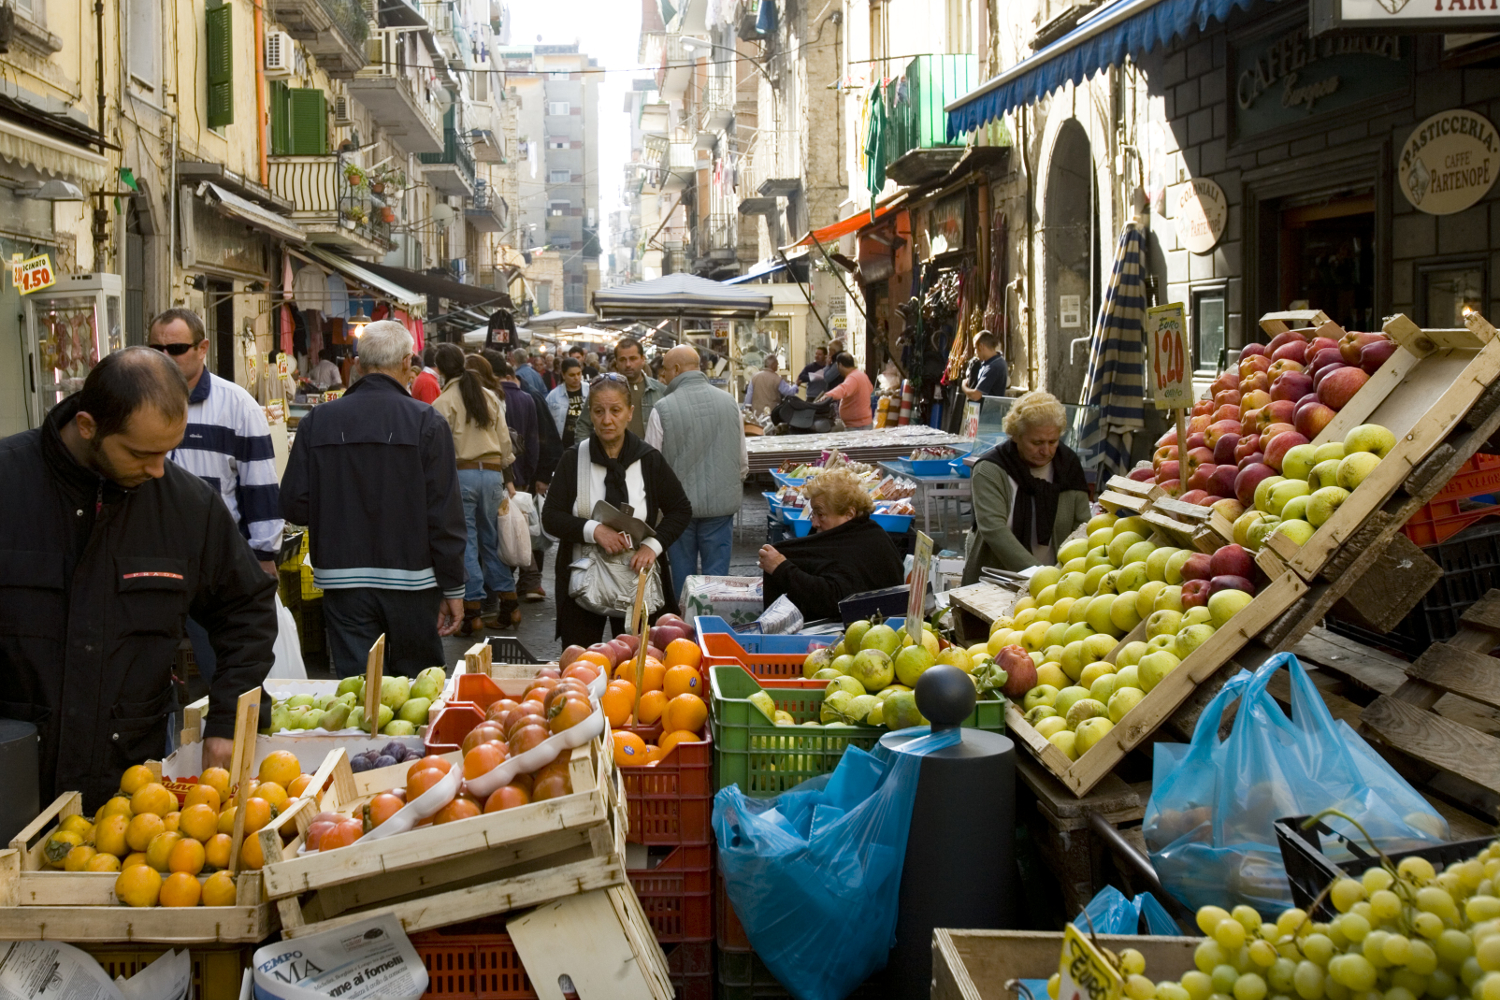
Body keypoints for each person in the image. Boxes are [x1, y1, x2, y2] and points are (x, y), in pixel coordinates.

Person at [0, 348, 276, 809]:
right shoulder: (8, 482)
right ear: (88, 427)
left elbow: (246, 611)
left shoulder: (187, 507)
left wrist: (229, 720)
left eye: (168, 452)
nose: (157, 470)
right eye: (141, 453)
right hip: (12, 783)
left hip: (127, 793)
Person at [281, 321, 467, 677]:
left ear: (357, 364)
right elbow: (444, 516)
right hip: (413, 581)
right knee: (418, 685)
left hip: (342, 580)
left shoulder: (317, 421)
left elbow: (294, 505)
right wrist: (454, 587)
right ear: (406, 363)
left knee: (358, 689)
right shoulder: (427, 422)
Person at [148, 307, 281, 688]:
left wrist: (264, 556)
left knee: (225, 671)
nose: (164, 357)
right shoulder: (137, 401)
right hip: (151, 560)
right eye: (156, 348)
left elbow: (260, 484)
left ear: (202, 348)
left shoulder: (236, 405)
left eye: (175, 348)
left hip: (214, 565)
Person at [543, 375, 693, 647]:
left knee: (641, 666)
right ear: (591, 414)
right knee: (581, 663)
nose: (607, 419)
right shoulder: (573, 459)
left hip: (638, 582)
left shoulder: (649, 460)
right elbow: (551, 516)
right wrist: (594, 530)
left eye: (615, 410)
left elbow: (681, 509)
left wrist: (653, 546)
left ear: (629, 413)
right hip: (583, 582)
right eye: (599, 411)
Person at [431, 343, 518, 635]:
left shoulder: (443, 402)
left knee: (466, 543)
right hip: (492, 474)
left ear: (440, 370)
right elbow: (504, 440)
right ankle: (509, 604)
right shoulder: (489, 396)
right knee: (491, 541)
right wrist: (505, 466)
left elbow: (437, 449)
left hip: (463, 476)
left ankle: (472, 612)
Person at [648, 345, 747, 599]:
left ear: (677, 369)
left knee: (684, 577)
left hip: (678, 511)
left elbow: (652, 465)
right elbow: (742, 460)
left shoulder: (662, 408)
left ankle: (685, 629)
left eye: (665, 371)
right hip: (720, 506)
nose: (663, 377)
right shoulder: (729, 403)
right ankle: (713, 627)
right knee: (717, 578)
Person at [961, 390, 1090, 583]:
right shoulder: (990, 469)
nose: (1046, 451)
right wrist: (1040, 576)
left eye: (1053, 441)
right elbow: (994, 529)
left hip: (1058, 582)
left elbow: (1082, 527)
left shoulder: (1068, 466)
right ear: (1016, 436)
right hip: (995, 582)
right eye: (1037, 442)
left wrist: (1064, 575)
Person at [757, 469, 903, 621]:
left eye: (821, 514)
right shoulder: (853, 535)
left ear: (849, 514)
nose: (814, 522)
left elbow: (833, 599)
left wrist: (781, 568)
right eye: (813, 513)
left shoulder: (865, 545)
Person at [575, 337, 663, 440]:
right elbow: (583, 425)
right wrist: (586, 453)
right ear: (616, 362)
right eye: (622, 360)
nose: (628, 364)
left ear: (642, 359)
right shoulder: (602, 388)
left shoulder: (659, 390)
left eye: (633, 358)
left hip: (648, 454)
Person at [818, 353, 874, 429]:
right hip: (861, 423)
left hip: (858, 426)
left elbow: (843, 389)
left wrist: (828, 395)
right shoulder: (861, 375)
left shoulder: (853, 377)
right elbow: (870, 389)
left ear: (840, 365)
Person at [547, 357, 589, 452]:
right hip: (563, 445)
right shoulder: (554, 395)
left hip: (586, 442)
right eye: (572, 375)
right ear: (563, 375)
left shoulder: (590, 390)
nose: (576, 378)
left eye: (579, 373)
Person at [963, 331, 1009, 401]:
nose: (975, 352)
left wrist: (964, 386)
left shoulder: (994, 366)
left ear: (981, 346)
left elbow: (976, 395)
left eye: (975, 348)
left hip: (989, 410)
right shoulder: (991, 362)